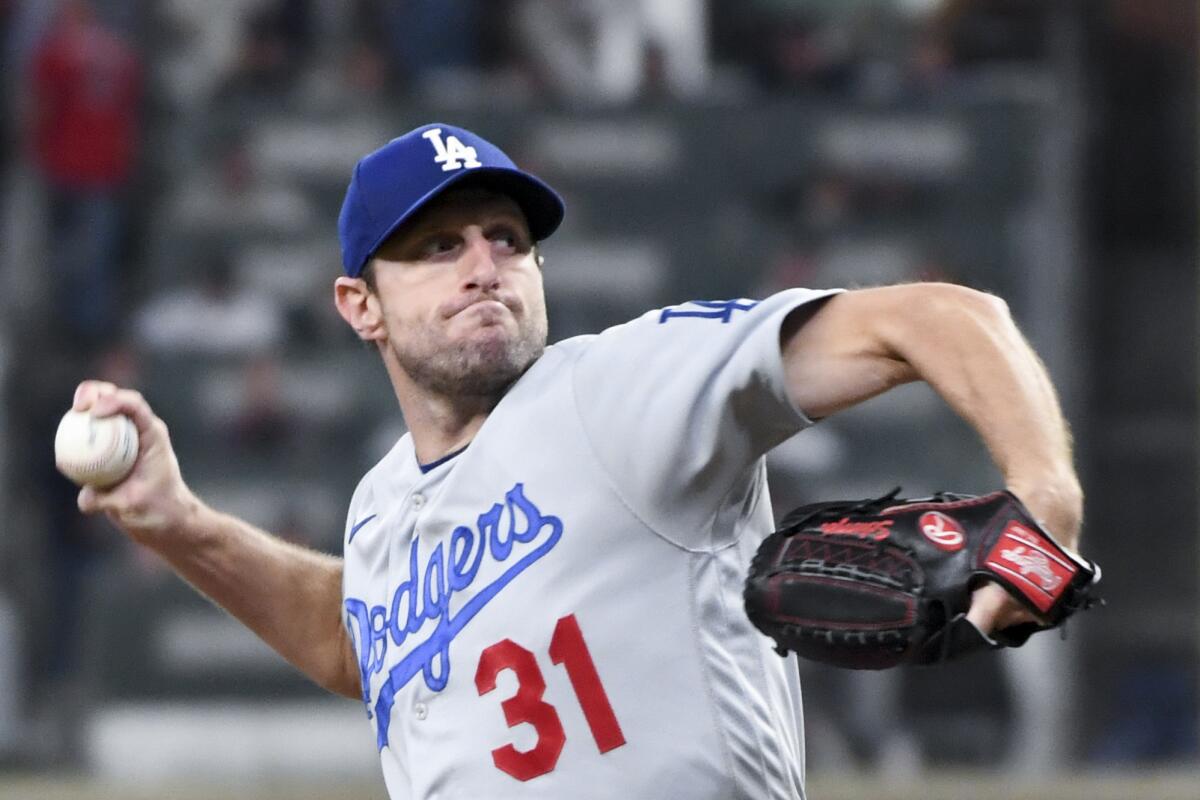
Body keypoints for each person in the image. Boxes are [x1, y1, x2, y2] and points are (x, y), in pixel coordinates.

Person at [72, 123, 1084, 799]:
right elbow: (357, 643)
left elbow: (942, 316)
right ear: (359, 306)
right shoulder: (381, 501)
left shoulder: (622, 387)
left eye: (506, 238)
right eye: (436, 247)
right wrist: (182, 525)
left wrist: (1045, 493)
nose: (482, 265)